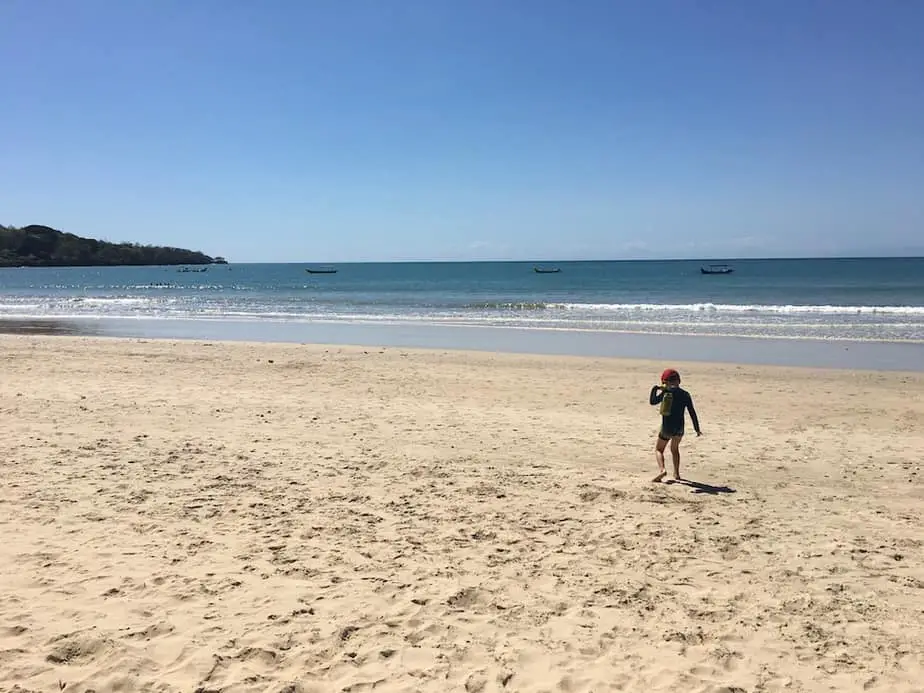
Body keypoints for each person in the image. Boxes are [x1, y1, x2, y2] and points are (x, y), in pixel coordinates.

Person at [649, 368, 701, 483]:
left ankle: (662, 470)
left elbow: (652, 401)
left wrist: (654, 389)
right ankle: (676, 473)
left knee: (659, 449)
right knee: (675, 449)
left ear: (664, 382)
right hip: (679, 428)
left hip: (667, 427)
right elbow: (692, 412)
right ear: (679, 380)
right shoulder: (685, 394)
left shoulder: (666, 393)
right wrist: (697, 429)